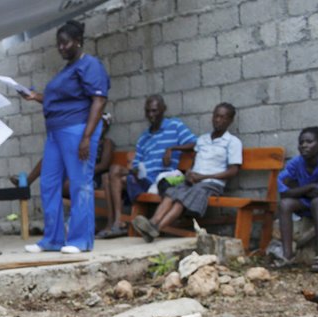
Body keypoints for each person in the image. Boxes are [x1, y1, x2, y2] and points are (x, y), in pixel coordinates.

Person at [21, 20, 108, 254]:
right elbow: (60, 99)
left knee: (80, 183)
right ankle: (53, 239)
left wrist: (87, 138)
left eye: (65, 43)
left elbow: (98, 101)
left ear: (78, 41)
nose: (61, 47)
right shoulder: (67, 69)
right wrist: (34, 96)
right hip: (56, 133)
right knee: (49, 182)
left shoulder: (90, 65)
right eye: (58, 44)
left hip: (78, 129)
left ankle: (80, 240)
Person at [132, 103, 242, 242]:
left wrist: (205, 176)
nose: (218, 120)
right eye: (216, 116)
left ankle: (156, 229)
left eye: (223, 117)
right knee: (172, 193)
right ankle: (152, 223)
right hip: (194, 180)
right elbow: (194, 163)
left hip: (211, 184)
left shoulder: (232, 142)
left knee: (181, 200)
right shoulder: (202, 139)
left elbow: (233, 171)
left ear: (230, 121)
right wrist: (189, 173)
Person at [101, 95, 196, 238]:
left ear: (163, 110)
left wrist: (172, 149)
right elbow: (137, 163)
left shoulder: (175, 125)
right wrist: (135, 169)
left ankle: (116, 223)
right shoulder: (144, 137)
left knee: (113, 172)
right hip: (144, 179)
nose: (151, 115)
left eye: (154, 111)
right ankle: (115, 223)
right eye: (148, 112)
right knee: (108, 176)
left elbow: (195, 143)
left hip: (162, 180)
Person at [11, 112, 115, 198]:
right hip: (74, 171)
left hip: (93, 177)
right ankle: (27, 182)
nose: (99, 128)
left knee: (68, 184)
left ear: (106, 128)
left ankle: (73, 216)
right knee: (49, 160)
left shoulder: (106, 143)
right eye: (96, 125)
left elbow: (103, 165)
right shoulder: (84, 141)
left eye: (102, 126)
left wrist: (80, 170)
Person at [273, 126, 318, 271]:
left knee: (317, 202)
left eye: (309, 142)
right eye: (301, 142)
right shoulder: (296, 163)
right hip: (306, 202)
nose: (304, 145)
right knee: (285, 204)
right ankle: (287, 256)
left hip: (317, 204)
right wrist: (309, 187)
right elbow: (283, 190)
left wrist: (298, 190)